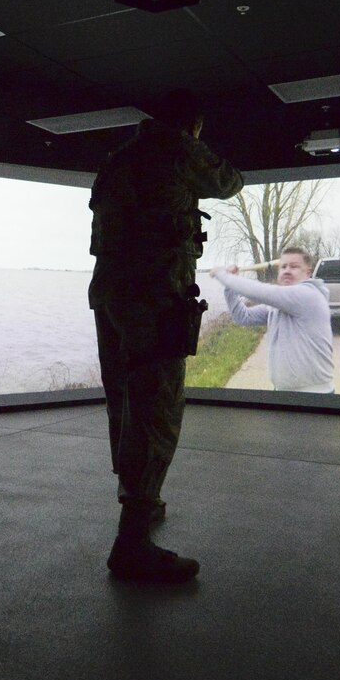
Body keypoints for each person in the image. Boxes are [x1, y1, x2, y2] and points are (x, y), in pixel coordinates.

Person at [89, 89, 244, 582]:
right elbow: (229, 182)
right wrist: (196, 146)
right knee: (157, 411)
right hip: (154, 296)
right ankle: (131, 542)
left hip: (110, 293)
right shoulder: (178, 147)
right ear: (192, 125)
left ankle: (139, 499)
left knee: (124, 401)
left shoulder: (119, 158)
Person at [210, 248, 334, 393]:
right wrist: (229, 288)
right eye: (283, 266)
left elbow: (260, 292)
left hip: (314, 395)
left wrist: (223, 275)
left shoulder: (309, 295)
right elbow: (243, 317)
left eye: (294, 266)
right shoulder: (276, 307)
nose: (287, 270)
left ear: (308, 273)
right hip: (281, 391)